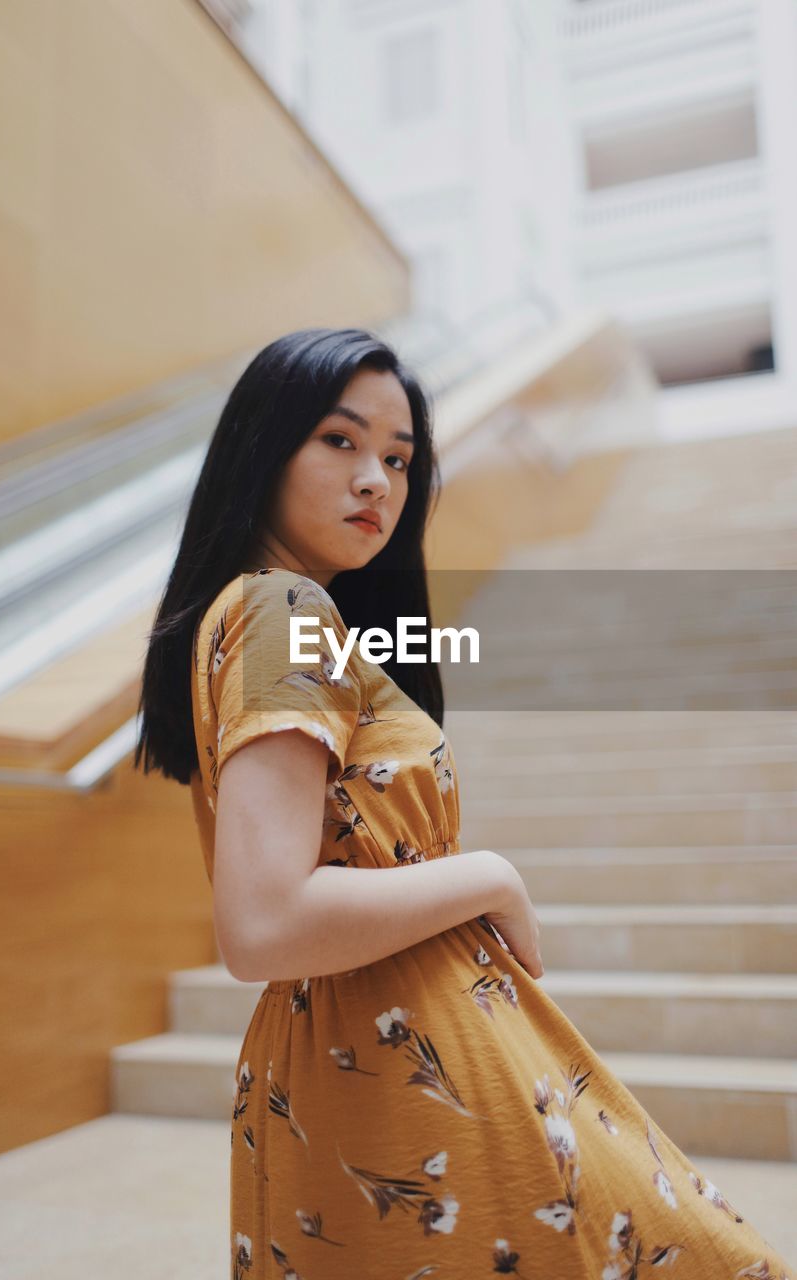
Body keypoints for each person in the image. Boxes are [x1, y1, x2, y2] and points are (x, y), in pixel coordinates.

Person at [135, 327, 794, 1279]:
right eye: (339, 440)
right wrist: (488, 877)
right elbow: (264, 921)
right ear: (260, 445)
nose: (377, 482)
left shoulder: (279, 617)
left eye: (399, 459)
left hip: (373, 1061)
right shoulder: (283, 612)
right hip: (403, 1068)